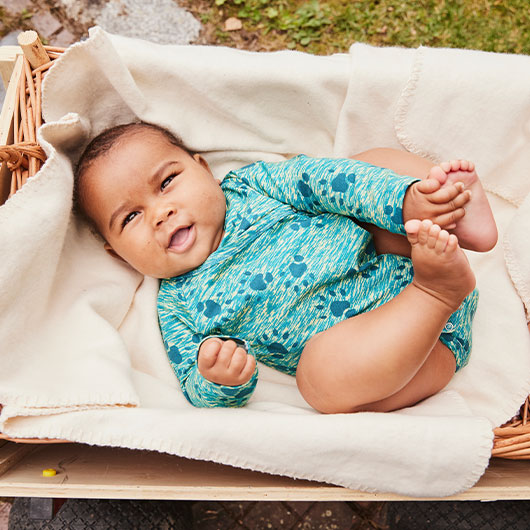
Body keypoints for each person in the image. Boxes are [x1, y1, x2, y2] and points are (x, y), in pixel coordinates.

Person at [74, 122, 497, 413]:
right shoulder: (177, 305)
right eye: (130, 218)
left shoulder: (252, 185)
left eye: (167, 183)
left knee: (357, 167)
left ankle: (452, 210)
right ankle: (438, 291)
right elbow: (193, 382)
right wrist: (217, 378)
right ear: (117, 254)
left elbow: (317, 178)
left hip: (403, 247)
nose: (160, 213)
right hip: (407, 347)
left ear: (204, 169)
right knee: (320, 382)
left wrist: (404, 201)